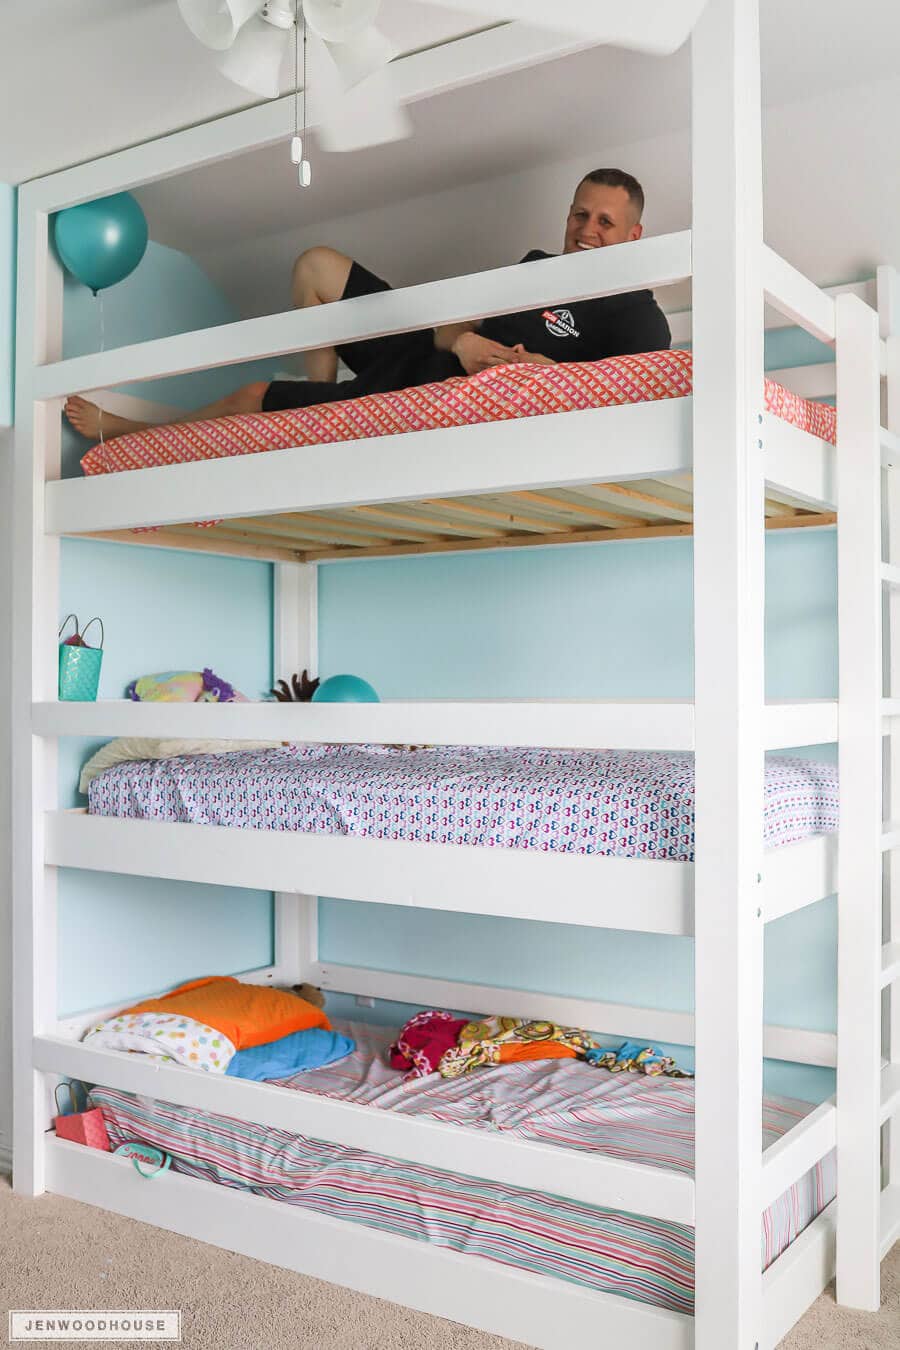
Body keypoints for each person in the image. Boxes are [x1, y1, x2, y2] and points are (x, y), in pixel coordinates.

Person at [64, 168, 671, 443]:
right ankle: (320, 416)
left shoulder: (637, 314)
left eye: (606, 222)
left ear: (634, 236)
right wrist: (460, 340)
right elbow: (459, 322)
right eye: (580, 213)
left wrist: (535, 370)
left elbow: (621, 398)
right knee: (316, 266)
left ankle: (124, 427)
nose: (587, 228)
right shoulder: (536, 266)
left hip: (432, 395)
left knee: (251, 396)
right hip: (432, 357)